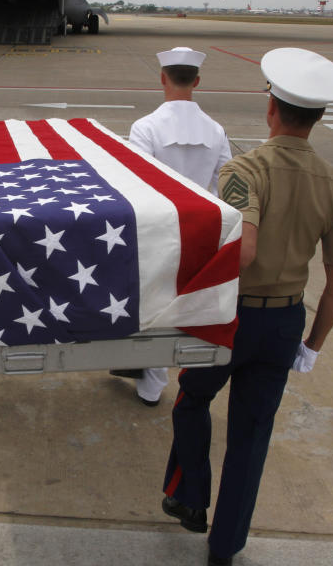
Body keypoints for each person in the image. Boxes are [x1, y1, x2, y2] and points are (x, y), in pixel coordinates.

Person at [160, 48, 333, 566]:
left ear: (271, 108)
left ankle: (190, 497)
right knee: (252, 434)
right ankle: (224, 547)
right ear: (317, 117)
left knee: (191, 400)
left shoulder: (244, 170)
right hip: (286, 321)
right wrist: (311, 346)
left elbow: (243, 250)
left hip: (232, 317)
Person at [113, 46, 232, 407]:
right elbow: (224, 183)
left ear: (163, 78)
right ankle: (181, 376)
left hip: (159, 232)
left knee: (153, 310)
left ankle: (151, 383)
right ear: (196, 81)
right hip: (202, 233)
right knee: (193, 310)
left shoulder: (145, 127)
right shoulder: (216, 130)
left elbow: (136, 186)